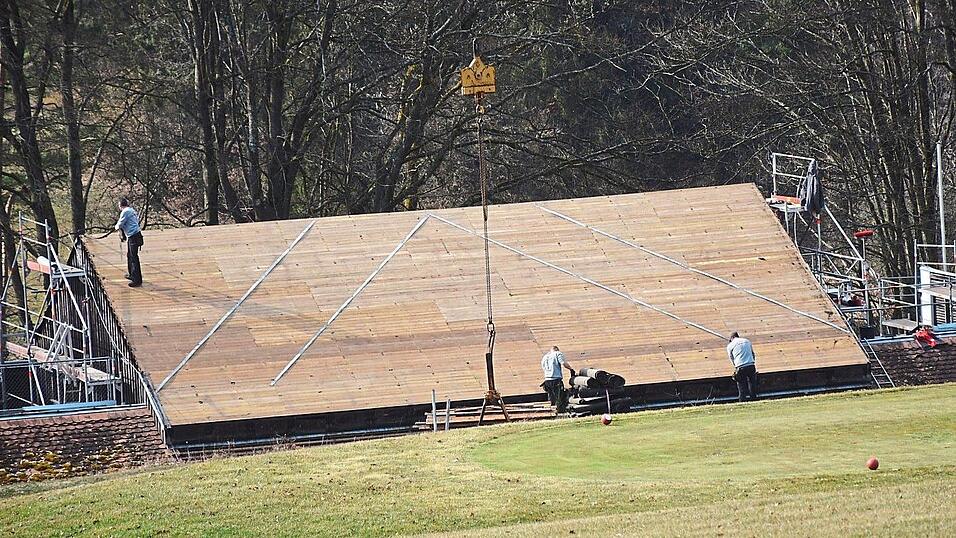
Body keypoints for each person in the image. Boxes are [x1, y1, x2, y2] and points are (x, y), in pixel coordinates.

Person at [115, 197, 144, 287]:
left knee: (134, 258)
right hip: (134, 235)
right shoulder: (131, 210)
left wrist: (115, 227)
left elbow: (120, 224)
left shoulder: (125, 212)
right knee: (130, 255)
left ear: (120, 205)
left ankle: (137, 280)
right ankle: (132, 274)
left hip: (133, 236)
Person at [540, 346, 574, 413]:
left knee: (552, 399)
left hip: (547, 380)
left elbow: (543, 367)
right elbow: (563, 363)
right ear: (556, 349)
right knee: (560, 398)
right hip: (556, 380)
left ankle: (552, 413)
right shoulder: (557, 353)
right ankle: (561, 413)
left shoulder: (545, 357)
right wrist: (571, 369)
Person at [726, 331, 757, 402]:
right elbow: (752, 353)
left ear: (732, 338)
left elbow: (731, 358)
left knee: (741, 386)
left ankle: (742, 400)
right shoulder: (747, 341)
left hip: (740, 366)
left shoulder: (730, 346)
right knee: (752, 384)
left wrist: (735, 366)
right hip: (751, 364)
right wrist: (752, 361)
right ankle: (754, 399)